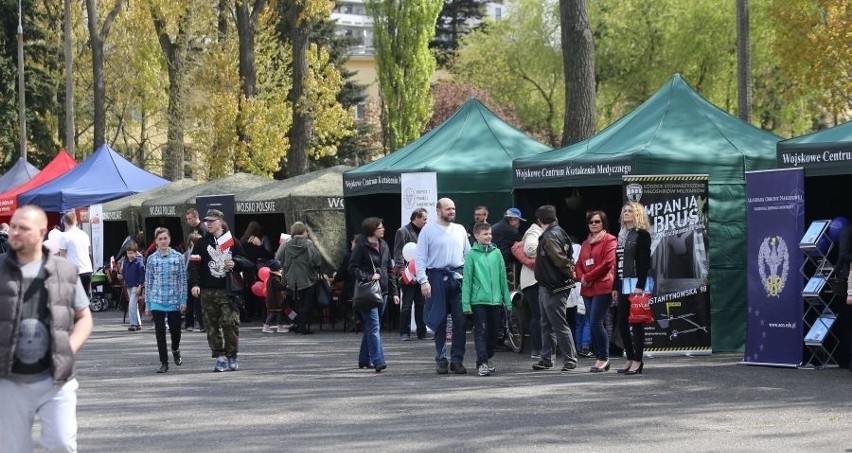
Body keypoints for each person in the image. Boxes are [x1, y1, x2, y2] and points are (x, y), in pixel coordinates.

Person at [0, 205, 93, 452]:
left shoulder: (65, 270)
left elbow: (84, 318)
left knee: (62, 444)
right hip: (9, 379)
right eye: (14, 226)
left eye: (23, 228)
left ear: (41, 232)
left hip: (55, 378)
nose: (15, 232)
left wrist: (69, 348)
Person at [188, 209, 249, 372]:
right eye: (207, 221)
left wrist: (235, 263)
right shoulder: (201, 243)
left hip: (228, 290)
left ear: (221, 222)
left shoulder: (231, 241)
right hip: (207, 290)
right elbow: (193, 265)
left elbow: (247, 262)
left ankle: (232, 355)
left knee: (230, 323)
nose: (208, 224)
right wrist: (194, 283)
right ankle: (219, 357)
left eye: (212, 221)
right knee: (211, 326)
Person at [416, 198, 471, 375]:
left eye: (453, 208)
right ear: (438, 211)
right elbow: (420, 258)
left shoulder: (460, 229)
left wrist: (470, 279)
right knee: (439, 321)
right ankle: (441, 359)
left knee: (460, 322)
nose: (451, 211)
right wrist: (423, 281)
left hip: (457, 277)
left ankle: (457, 360)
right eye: (448, 209)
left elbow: (468, 255)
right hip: (435, 278)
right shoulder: (428, 230)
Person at [531, 205, 578, 372]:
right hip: (551, 285)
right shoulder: (560, 231)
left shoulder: (549, 237)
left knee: (556, 323)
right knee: (548, 323)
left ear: (539, 220)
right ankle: (546, 359)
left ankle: (569, 359)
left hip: (553, 286)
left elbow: (560, 260)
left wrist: (570, 273)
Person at [462, 222, 511, 376]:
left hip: (495, 300)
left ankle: (488, 357)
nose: (489, 236)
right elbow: (467, 280)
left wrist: (507, 301)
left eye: (489, 233)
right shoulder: (471, 255)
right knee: (481, 332)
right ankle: (482, 362)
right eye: (485, 234)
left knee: (494, 332)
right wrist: (466, 303)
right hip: (478, 301)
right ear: (476, 236)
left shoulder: (496, 253)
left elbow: (503, 278)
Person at [350, 218, 396, 372]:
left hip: (382, 291)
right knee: (374, 326)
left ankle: (364, 359)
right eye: (380, 227)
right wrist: (368, 276)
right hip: (368, 292)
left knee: (372, 326)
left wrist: (394, 291)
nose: (383, 229)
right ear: (372, 230)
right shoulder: (361, 246)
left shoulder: (384, 245)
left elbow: (389, 269)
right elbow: (352, 268)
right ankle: (378, 360)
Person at [612, 202, 652, 375]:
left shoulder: (642, 235)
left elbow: (644, 262)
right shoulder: (622, 235)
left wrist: (640, 285)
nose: (626, 213)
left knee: (636, 323)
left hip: (635, 282)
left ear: (637, 214)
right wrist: (615, 285)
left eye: (630, 211)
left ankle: (638, 360)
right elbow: (617, 262)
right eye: (624, 211)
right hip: (622, 281)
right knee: (621, 322)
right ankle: (630, 357)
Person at [576, 210, 617, 372]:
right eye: (591, 222)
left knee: (595, 322)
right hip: (587, 288)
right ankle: (601, 357)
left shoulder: (610, 240)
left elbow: (608, 263)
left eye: (597, 221)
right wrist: (582, 277)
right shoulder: (585, 243)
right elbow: (579, 264)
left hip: (603, 286)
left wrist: (589, 276)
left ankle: (603, 358)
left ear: (603, 223)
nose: (593, 224)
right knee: (592, 324)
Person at [145, 227, 187, 373]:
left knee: (176, 331)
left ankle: (175, 349)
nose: (163, 241)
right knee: (160, 332)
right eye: (160, 239)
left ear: (169, 239)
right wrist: (148, 304)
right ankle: (164, 362)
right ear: (156, 241)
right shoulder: (151, 259)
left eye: (165, 238)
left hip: (174, 299)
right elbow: (148, 281)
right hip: (157, 299)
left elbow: (183, 279)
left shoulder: (178, 257)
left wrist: (183, 300)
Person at [393, 207, 429, 341]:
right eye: (424, 219)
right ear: (416, 218)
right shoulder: (402, 231)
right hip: (407, 274)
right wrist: (403, 272)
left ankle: (422, 332)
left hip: (421, 274)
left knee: (421, 304)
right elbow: (398, 253)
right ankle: (404, 332)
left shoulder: (425, 232)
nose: (426, 222)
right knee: (407, 304)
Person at [283, 221, 322, 335]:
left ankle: (296, 324)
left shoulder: (287, 244)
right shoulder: (308, 244)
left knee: (295, 303)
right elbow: (316, 260)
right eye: (306, 231)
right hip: (307, 278)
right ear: (303, 231)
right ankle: (303, 327)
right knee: (306, 303)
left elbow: (284, 262)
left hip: (292, 278)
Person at [517, 213, 544, 359]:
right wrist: (549, 251)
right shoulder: (534, 231)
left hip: (533, 279)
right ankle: (537, 349)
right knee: (538, 314)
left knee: (539, 314)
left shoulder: (536, 231)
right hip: (533, 280)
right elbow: (530, 249)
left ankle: (540, 348)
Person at [241, 221, 274, 320]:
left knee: (248, 291)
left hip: (246, 268)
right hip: (255, 268)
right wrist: (260, 245)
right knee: (259, 291)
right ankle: (260, 312)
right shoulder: (256, 240)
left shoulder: (243, 240)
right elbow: (267, 254)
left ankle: (249, 312)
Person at [59, 211, 94, 298]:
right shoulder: (84, 234)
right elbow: (87, 252)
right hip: (87, 270)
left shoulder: (64, 236)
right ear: (76, 221)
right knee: (84, 301)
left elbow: (62, 257)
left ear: (64, 222)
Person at [183, 233, 204, 332]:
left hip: (198, 280)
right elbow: (185, 268)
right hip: (188, 280)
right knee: (190, 303)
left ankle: (201, 324)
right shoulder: (187, 254)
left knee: (199, 304)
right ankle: (189, 323)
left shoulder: (202, 252)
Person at [123, 242, 146, 332]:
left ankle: (133, 324)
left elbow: (142, 275)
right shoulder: (126, 262)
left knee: (132, 304)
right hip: (129, 285)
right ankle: (138, 323)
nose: (129, 255)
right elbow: (124, 272)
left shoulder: (139, 263)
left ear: (136, 253)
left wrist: (140, 285)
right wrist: (123, 277)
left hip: (136, 286)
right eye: (128, 253)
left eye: (131, 253)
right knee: (133, 305)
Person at [263, 260, 288, 333]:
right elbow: (280, 287)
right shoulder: (275, 278)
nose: (281, 270)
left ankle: (277, 326)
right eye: (280, 269)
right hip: (276, 300)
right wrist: (286, 286)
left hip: (273, 300)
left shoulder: (271, 278)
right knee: (275, 313)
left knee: (275, 313)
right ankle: (269, 326)